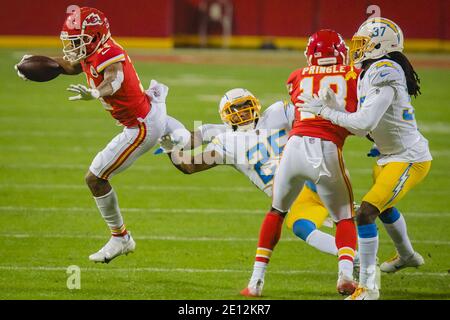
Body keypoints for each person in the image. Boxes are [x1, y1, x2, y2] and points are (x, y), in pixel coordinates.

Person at [14, 7, 189, 263]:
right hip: (146, 113)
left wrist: (97, 92)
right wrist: (34, 64)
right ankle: (194, 136)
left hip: (141, 126)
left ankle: (121, 238)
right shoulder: (93, 50)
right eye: (71, 41)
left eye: (77, 41)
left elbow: (114, 79)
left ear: (95, 37)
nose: (73, 47)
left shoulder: (110, 53)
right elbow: (67, 65)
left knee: (95, 178)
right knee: (185, 151)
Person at [159, 87, 345, 297]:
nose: (243, 112)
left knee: (345, 219)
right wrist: (170, 149)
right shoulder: (225, 142)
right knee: (304, 226)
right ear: (226, 115)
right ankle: (352, 259)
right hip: (292, 196)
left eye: (246, 106)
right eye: (235, 109)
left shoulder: (278, 112)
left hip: (315, 176)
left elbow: (312, 120)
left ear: (255, 104)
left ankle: (354, 262)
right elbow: (189, 165)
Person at [298, 18, 432, 300]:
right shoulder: (371, 71)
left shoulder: (384, 71)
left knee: (366, 213)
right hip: (388, 155)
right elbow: (370, 122)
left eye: (363, 43)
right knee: (383, 208)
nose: (357, 48)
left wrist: (326, 111)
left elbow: (362, 122)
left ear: (381, 46)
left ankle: (369, 288)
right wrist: (336, 106)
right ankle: (407, 255)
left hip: (408, 158)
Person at [243, 29, 363, 297]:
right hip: (326, 149)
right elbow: (357, 118)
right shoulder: (353, 75)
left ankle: (255, 282)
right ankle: (345, 274)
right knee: (344, 217)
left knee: (276, 211)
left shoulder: (297, 76)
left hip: (294, 147)